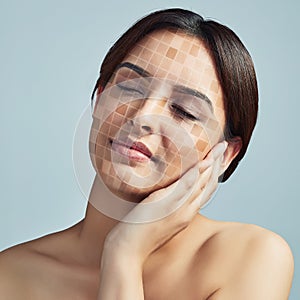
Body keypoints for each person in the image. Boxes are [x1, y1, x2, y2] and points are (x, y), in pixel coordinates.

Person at [0, 8, 294, 299]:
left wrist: (124, 252)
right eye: (130, 88)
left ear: (225, 154)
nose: (143, 115)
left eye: (184, 111)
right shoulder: (10, 276)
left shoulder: (250, 259)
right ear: (100, 97)